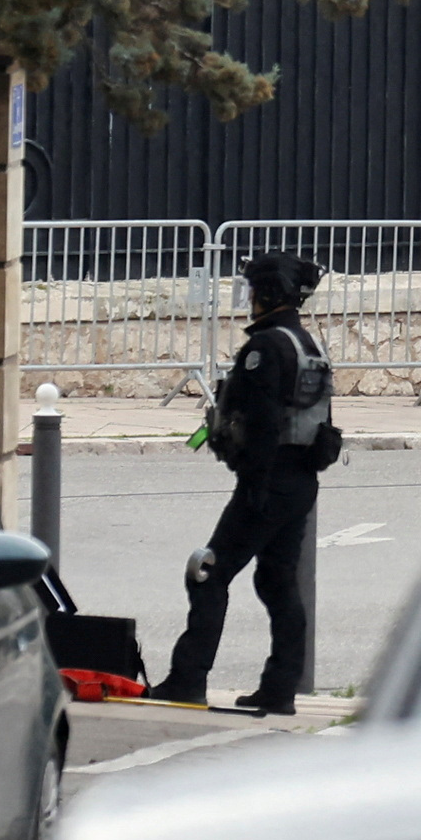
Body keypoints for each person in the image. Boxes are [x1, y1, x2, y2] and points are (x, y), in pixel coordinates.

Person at [162, 246, 338, 715]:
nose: (249, 298)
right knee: (278, 582)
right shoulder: (308, 345)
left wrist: (253, 484)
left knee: (209, 572)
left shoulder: (265, 349)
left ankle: (187, 678)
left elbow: (260, 423)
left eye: (253, 290)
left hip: (268, 482)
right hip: (301, 482)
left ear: (266, 294)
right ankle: (281, 688)